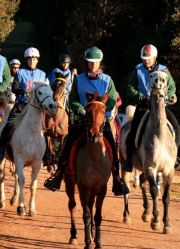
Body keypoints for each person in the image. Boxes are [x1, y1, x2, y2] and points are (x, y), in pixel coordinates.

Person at [44, 46, 129, 196]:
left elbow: (113, 99)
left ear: (100, 62)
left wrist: (102, 110)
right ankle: (58, 175)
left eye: (95, 62)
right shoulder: (79, 79)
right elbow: (72, 99)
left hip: (102, 121)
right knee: (68, 143)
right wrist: (82, 110)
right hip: (83, 120)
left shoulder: (108, 80)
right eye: (90, 62)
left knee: (111, 145)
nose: (92, 65)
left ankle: (116, 179)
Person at [123, 44, 180, 172]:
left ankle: (175, 157)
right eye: (144, 58)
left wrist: (167, 96)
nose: (146, 61)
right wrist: (141, 97)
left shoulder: (164, 70)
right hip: (144, 107)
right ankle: (128, 160)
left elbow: (172, 87)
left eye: (148, 58)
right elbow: (130, 88)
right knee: (133, 130)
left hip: (161, 107)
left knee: (176, 127)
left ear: (155, 57)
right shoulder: (138, 70)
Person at [0, 47, 47, 160]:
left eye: (34, 59)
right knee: (9, 123)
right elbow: (14, 88)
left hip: (37, 107)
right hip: (21, 104)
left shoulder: (42, 74)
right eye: (30, 59)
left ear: (37, 60)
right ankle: (1, 149)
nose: (32, 62)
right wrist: (22, 91)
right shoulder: (20, 73)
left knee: (46, 127)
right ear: (26, 60)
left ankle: (47, 154)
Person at [47, 53, 77, 125]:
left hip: (66, 93)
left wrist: (75, 75)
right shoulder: (56, 71)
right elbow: (52, 81)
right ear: (61, 63)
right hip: (56, 91)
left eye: (67, 63)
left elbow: (70, 83)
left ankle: (71, 123)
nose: (65, 65)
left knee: (70, 106)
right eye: (64, 63)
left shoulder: (70, 72)